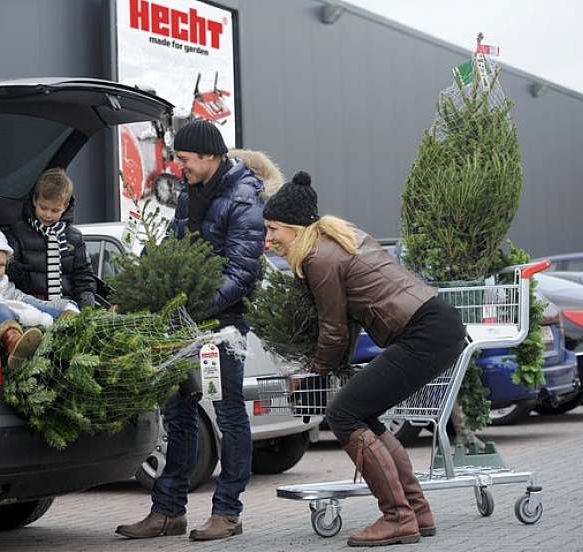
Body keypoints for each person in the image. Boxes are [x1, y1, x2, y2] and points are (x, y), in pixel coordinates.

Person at [262, 171, 466, 547]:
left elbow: (334, 328)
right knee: (362, 414)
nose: (269, 238)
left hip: (425, 332)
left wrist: (313, 372)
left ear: (295, 227)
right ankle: (416, 511)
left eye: (274, 229)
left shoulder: (319, 257)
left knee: (343, 414)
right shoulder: (340, 239)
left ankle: (397, 517)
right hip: (436, 326)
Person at [116, 120, 267, 541]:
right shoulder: (189, 194)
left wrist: (195, 305)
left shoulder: (244, 197)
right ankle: (167, 512)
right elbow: (172, 246)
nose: (179, 167)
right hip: (183, 322)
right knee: (177, 413)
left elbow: (242, 269)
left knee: (228, 413)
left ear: (210, 156)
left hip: (223, 325)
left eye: (184, 159)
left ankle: (228, 513)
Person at [0, 216, 77, 370]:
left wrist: (31, 301)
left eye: (2, 265)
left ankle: (69, 319)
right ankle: (14, 341)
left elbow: (15, 295)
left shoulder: (1, 281)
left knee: (29, 302)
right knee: (0, 308)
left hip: (9, 307)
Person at [5, 168, 98, 310]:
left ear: (65, 207)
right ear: (35, 200)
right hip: (29, 308)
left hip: (66, 310)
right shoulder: (16, 233)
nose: (48, 215)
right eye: (44, 208)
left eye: (55, 210)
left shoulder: (74, 238)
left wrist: (86, 309)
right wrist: (17, 271)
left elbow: (83, 278)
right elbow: (6, 274)